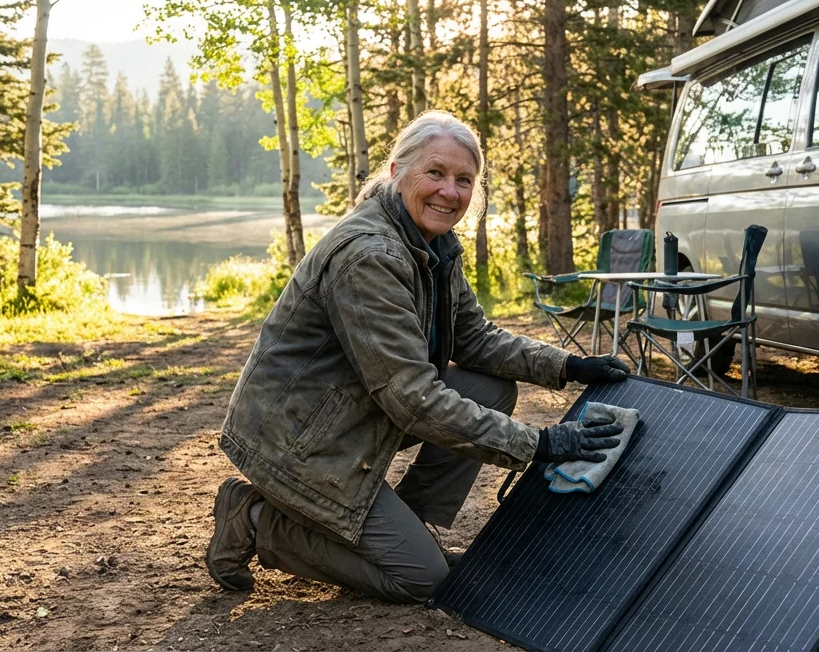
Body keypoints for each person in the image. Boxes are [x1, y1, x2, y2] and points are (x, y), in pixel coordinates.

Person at [206, 110, 631, 604]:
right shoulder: (371, 256)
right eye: (435, 173)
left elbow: (474, 339)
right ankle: (256, 520)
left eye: (463, 180)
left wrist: (566, 366)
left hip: (351, 417)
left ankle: (407, 523)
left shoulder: (432, 243)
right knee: (423, 580)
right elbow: (413, 398)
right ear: (397, 172)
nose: (449, 192)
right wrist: (542, 444)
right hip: (296, 439)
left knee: (488, 388)